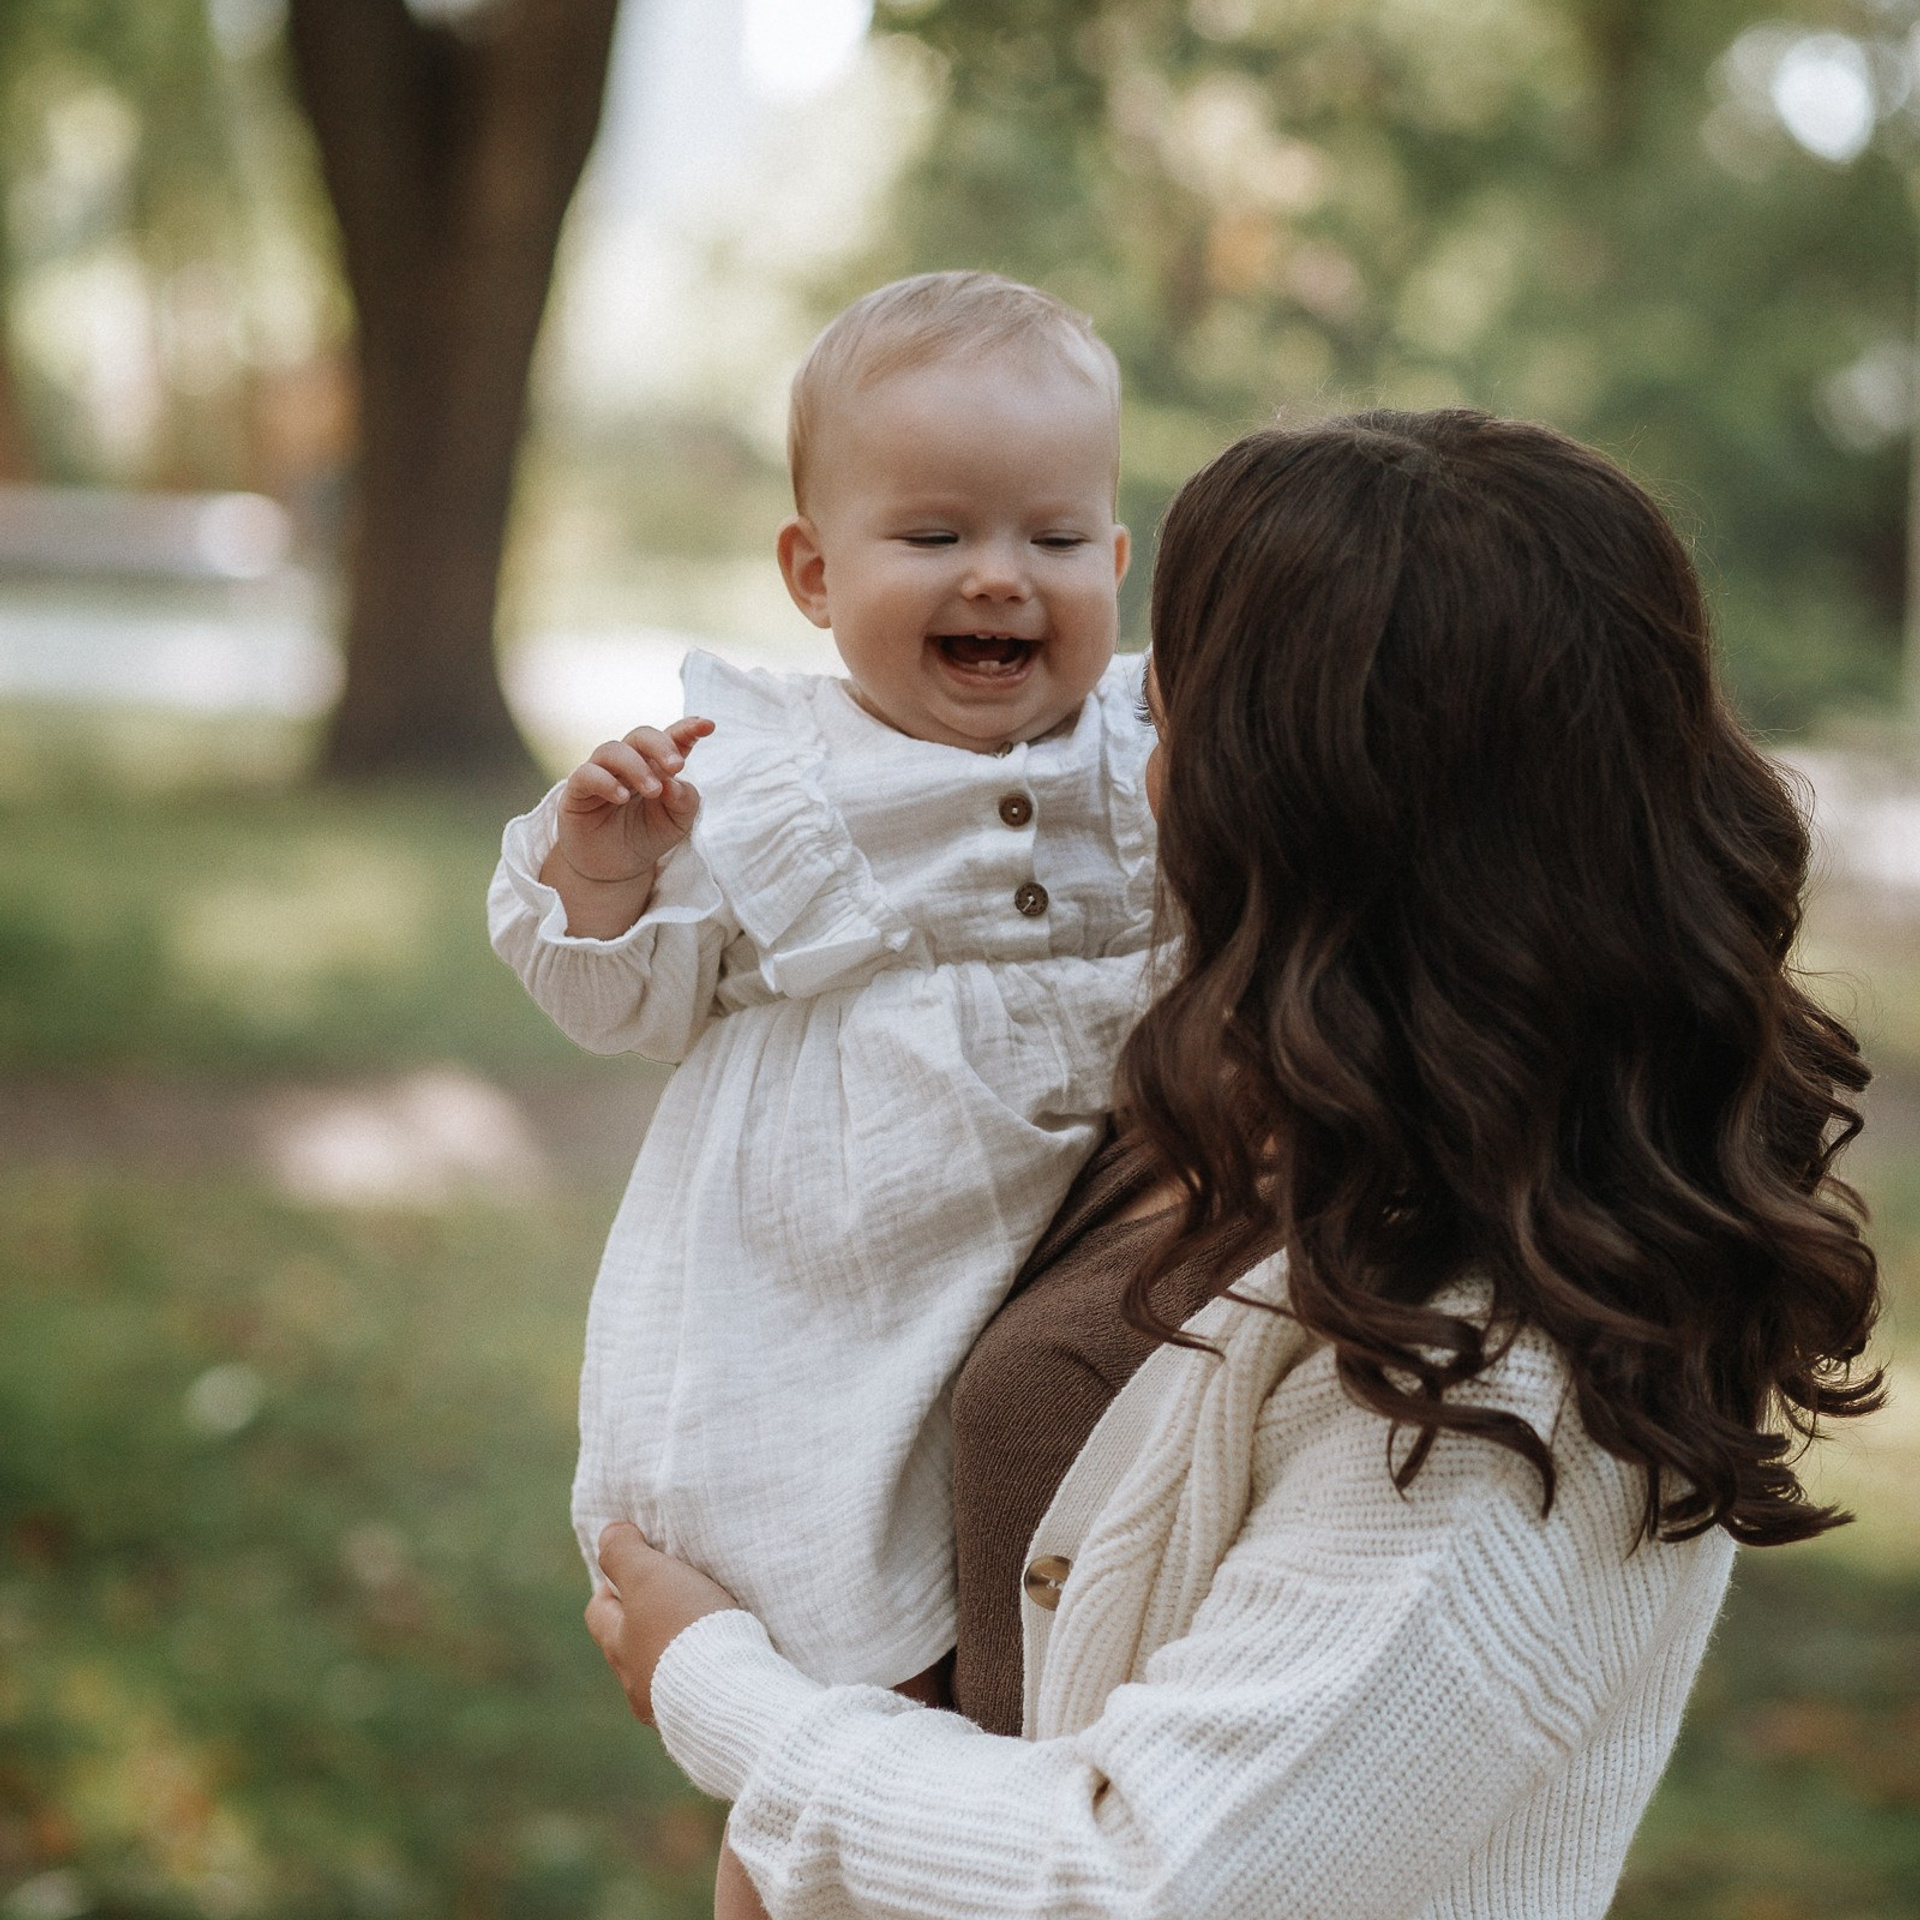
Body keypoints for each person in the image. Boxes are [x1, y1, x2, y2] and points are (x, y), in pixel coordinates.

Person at [584, 410, 1884, 1919]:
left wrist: (721, 1694)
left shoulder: (1523, 1362)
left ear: (1297, 793)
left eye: (1176, 690)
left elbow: (1154, 1876)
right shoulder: (1236, 1067)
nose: (1126, 728)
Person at [488, 272, 1149, 1911]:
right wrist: (599, 873)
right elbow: (616, 1002)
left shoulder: (1145, 754)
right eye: (933, 537)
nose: (1000, 575)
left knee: (1017, 1645)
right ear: (812, 570)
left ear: (1116, 563)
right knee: (839, 1640)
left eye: (1054, 539)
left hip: (1062, 1272)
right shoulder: (771, 777)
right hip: (838, 1287)